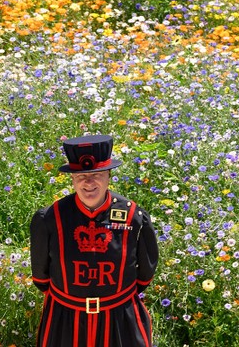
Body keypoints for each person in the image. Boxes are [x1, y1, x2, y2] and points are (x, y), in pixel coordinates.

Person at [30, 134, 159, 347]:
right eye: (80, 176)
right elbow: (41, 277)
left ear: (109, 175)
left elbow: (145, 272)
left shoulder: (133, 216)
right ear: (72, 179)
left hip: (120, 318)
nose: (88, 182)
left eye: (96, 174)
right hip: (65, 318)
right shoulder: (51, 218)